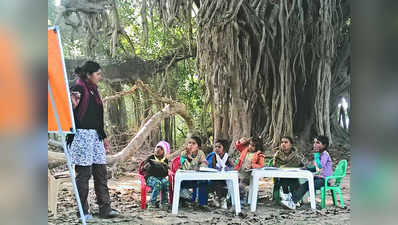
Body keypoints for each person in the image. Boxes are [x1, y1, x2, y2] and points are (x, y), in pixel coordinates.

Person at [66, 61, 119, 219]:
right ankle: (83, 210)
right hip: (82, 136)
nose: (100, 77)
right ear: (89, 75)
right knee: (84, 174)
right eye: (98, 74)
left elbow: (97, 117)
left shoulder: (93, 90)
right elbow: (69, 111)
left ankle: (105, 208)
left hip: (95, 136)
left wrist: (103, 137)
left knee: (101, 171)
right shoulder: (78, 88)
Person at [281, 135, 333, 210]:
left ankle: (293, 202)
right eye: (314, 142)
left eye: (318, 142)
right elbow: (316, 168)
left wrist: (316, 155)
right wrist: (307, 168)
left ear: (324, 145)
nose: (315, 144)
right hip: (319, 178)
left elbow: (320, 166)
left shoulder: (325, 154)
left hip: (325, 180)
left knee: (306, 185)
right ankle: (293, 199)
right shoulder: (320, 155)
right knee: (301, 183)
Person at [179, 136, 210, 210]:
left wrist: (201, 166)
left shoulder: (200, 153)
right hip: (185, 178)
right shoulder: (183, 154)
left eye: (193, 143)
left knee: (204, 181)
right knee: (182, 185)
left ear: (198, 146)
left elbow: (205, 164)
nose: (191, 145)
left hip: (196, 177)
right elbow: (185, 167)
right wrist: (188, 158)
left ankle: (202, 204)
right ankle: (184, 201)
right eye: (189, 143)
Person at [273, 136, 307, 201]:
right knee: (283, 181)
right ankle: (286, 198)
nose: (283, 144)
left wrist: (285, 167)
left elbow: (300, 165)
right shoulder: (277, 155)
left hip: (293, 177)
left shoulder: (296, 156)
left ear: (291, 145)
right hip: (281, 177)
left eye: (286, 142)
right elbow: (275, 166)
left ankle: (294, 199)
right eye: (282, 142)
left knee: (294, 182)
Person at [234, 137, 265, 205]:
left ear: (258, 147)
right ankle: (234, 200)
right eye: (250, 144)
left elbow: (261, 165)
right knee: (235, 186)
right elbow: (238, 146)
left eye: (253, 146)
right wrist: (240, 141)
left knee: (241, 187)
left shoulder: (259, 155)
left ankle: (241, 201)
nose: (251, 147)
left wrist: (252, 166)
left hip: (249, 175)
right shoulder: (245, 150)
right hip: (240, 172)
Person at [141, 141, 170, 210]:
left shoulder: (165, 160)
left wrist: (164, 167)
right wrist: (146, 166)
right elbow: (142, 169)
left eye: (161, 148)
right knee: (157, 184)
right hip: (150, 178)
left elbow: (165, 173)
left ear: (164, 151)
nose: (158, 150)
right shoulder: (151, 157)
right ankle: (152, 203)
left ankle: (164, 203)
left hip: (161, 177)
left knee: (165, 183)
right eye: (157, 147)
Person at [207, 139, 234, 209]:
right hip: (217, 176)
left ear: (224, 148)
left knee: (223, 183)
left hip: (226, 177)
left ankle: (223, 199)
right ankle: (217, 198)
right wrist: (216, 169)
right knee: (216, 182)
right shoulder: (214, 157)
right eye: (215, 147)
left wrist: (227, 169)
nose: (217, 149)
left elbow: (232, 167)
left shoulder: (228, 157)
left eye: (219, 147)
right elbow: (213, 168)